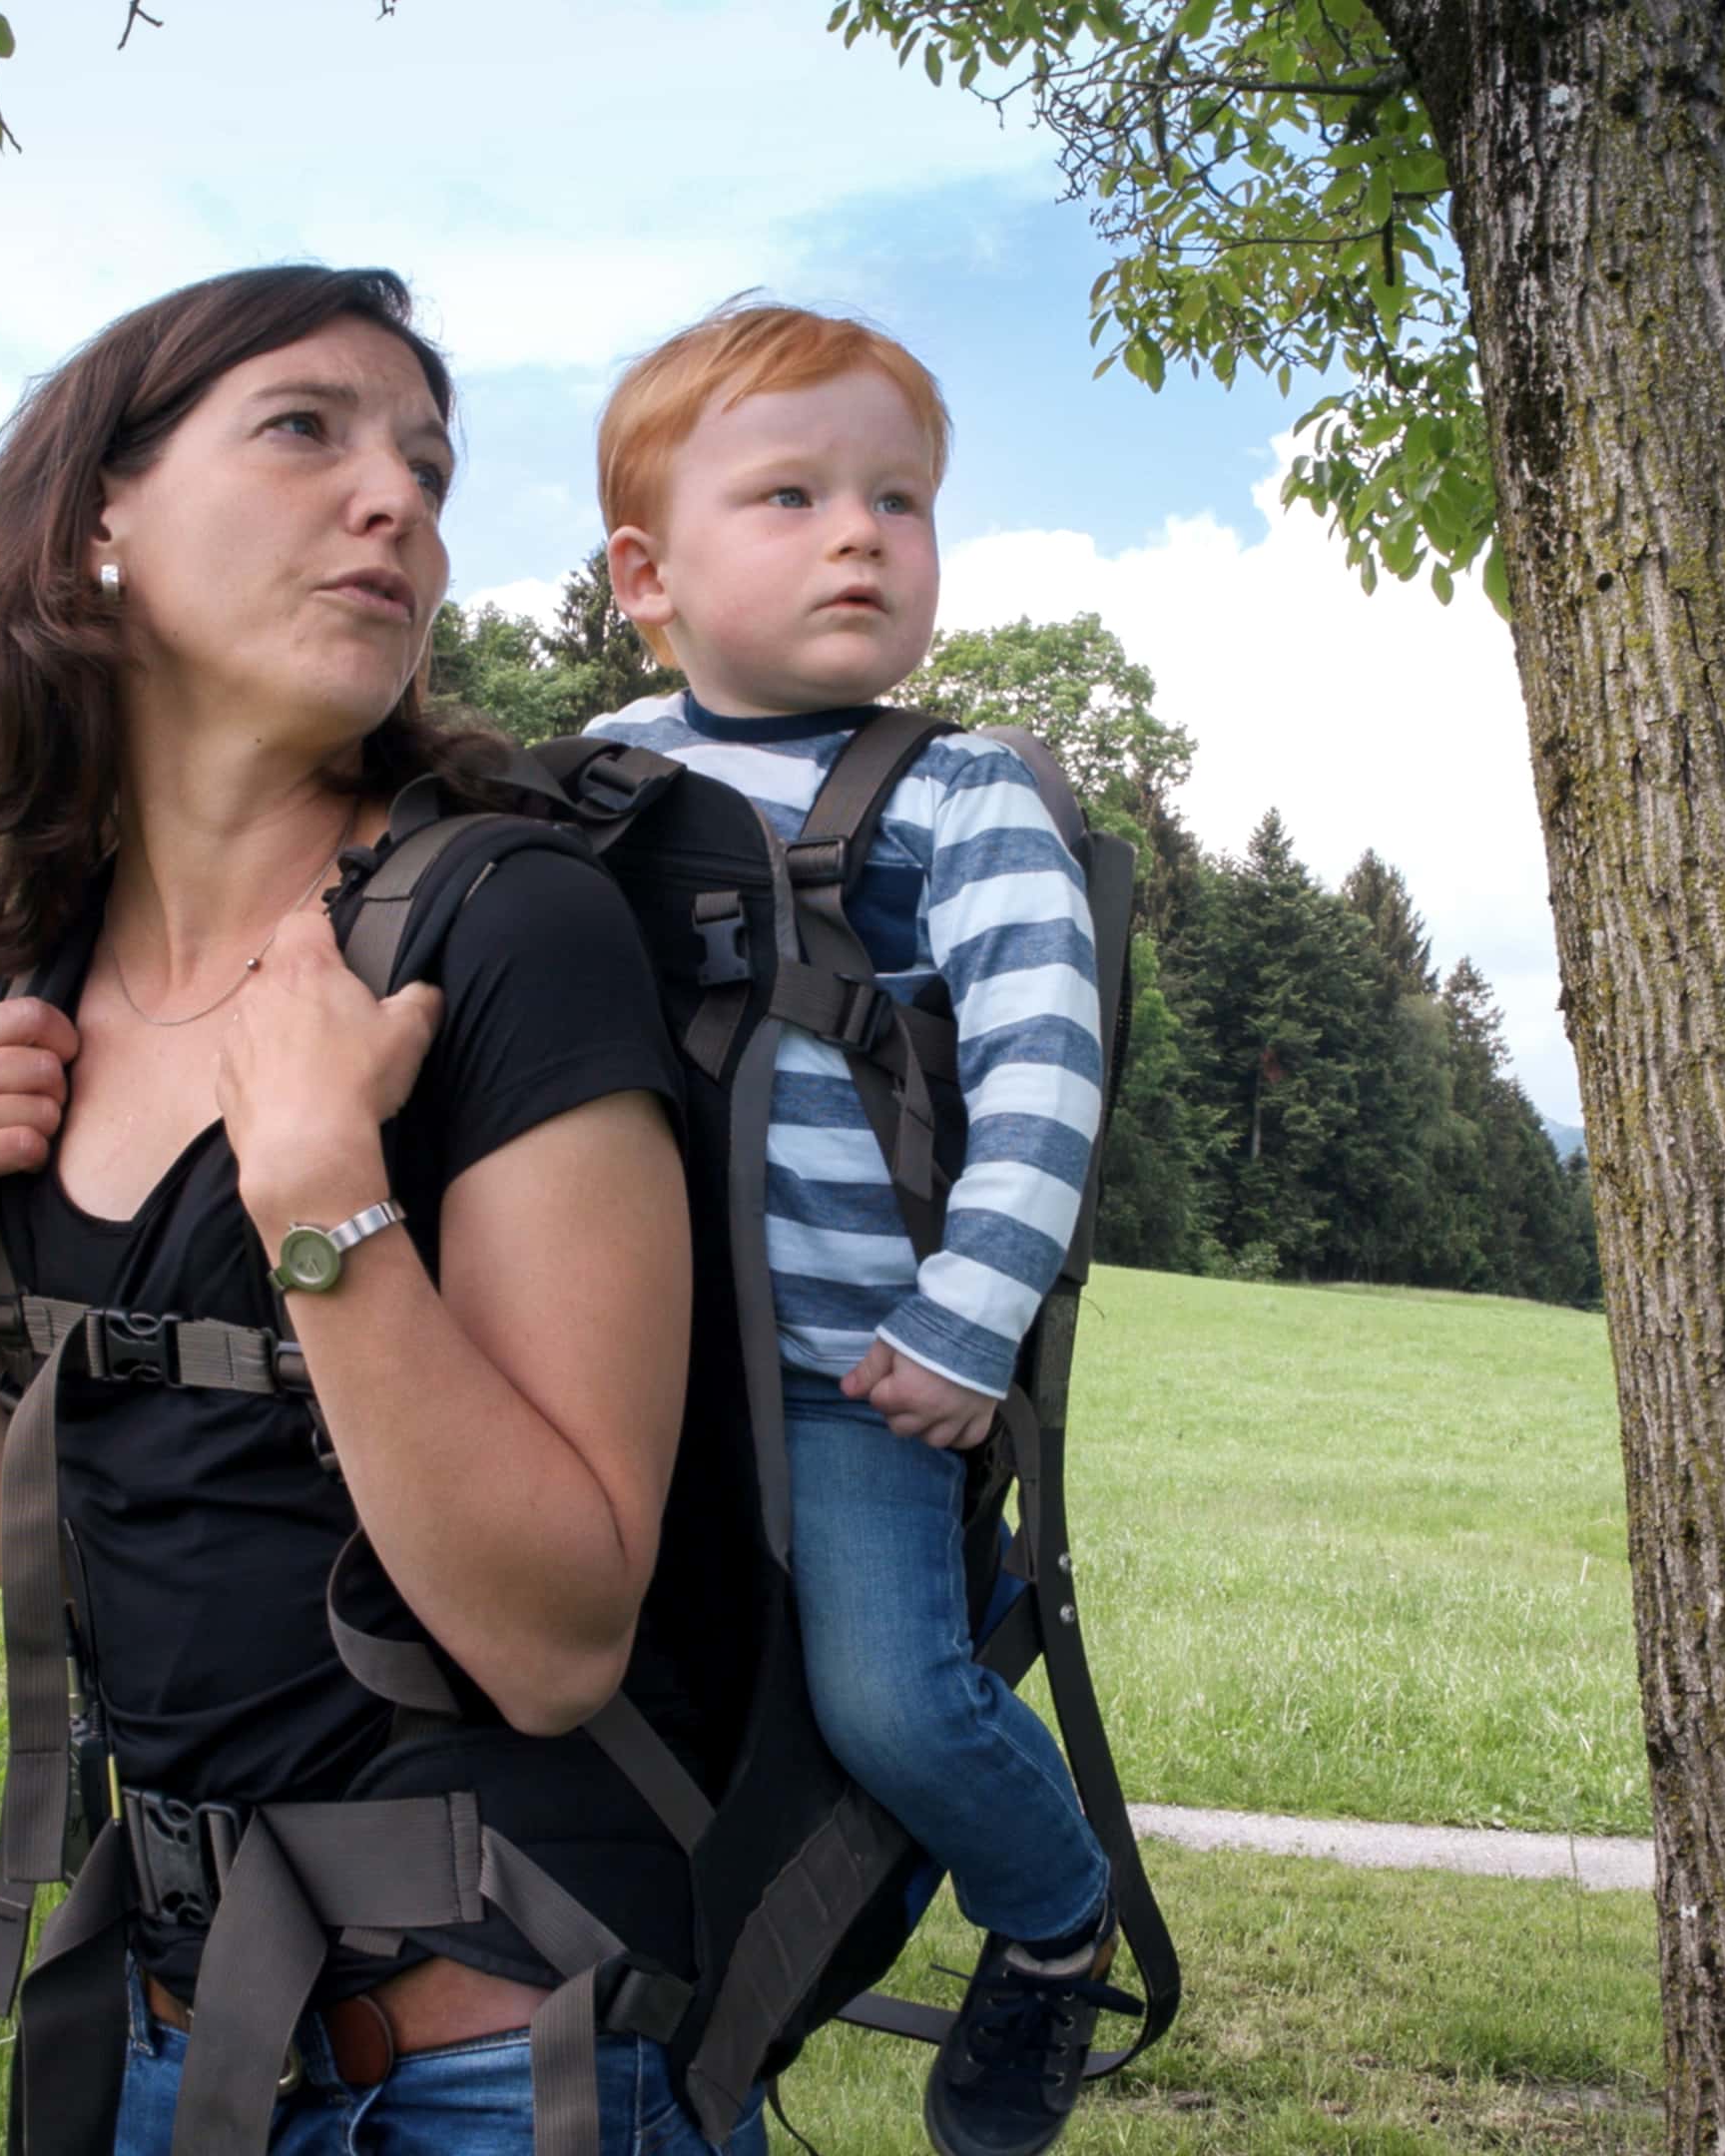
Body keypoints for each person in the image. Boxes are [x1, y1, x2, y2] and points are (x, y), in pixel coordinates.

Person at [0, 266, 760, 2156]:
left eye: (427, 466)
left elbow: (556, 1635)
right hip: (174, 2049)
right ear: (100, 513)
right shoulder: (7, 1002)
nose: (400, 501)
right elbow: (83, 1582)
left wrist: (327, 1199)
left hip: (508, 2071)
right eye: (306, 429)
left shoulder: (504, 931)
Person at [584, 303, 1126, 2156]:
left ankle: (1055, 1928)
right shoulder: (599, 780)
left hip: (851, 1375)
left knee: (893, 1703)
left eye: (900, 499)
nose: (861, 535)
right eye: (794, 494)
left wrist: (971, 1324)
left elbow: (1049, 1073)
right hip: (627, 1371)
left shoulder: (957, 800)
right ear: (645, 578)